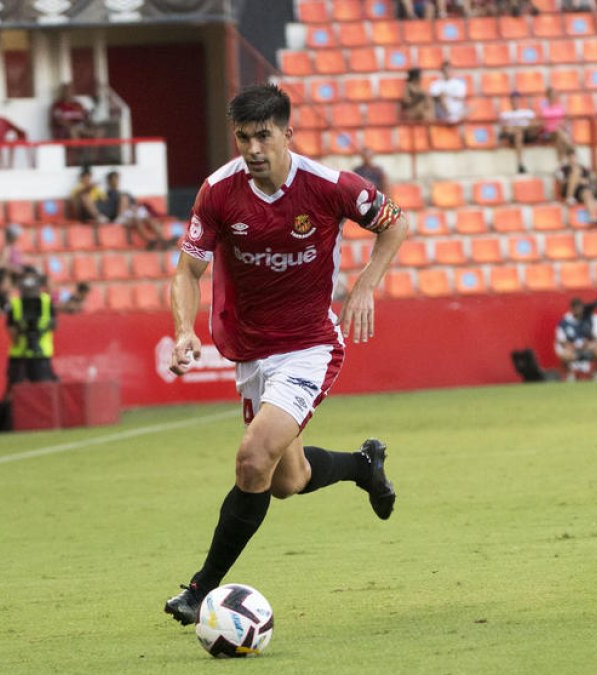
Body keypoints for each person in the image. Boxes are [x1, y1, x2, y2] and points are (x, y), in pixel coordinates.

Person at [162, 84, 409, 626]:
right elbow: (187, 271)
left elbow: (395, 222)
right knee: (285, 480)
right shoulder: (218, 192)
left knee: (252, 459)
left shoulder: (328, 186)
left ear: (287, 134)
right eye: (244, 137)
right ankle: (363, 466)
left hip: (308, 346)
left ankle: (201, 590)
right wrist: (183, 330)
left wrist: (365, 285)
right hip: (250, 352)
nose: (252, 148)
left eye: (263, 136)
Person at [6, 267, 59, 389]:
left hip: (34, 356)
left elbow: (12, 334)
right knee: (25, 395)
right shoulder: (16, 304)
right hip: (26, 357)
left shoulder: (17, 304)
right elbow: (54, 326)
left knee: (36, 395)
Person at [100, 171, 172, 249]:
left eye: (117, 179)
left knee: (147, 219)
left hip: (130, 214)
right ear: (109, 181)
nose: (116, 181)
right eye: (114, 179)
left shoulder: (125, 193)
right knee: (136, 219)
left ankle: (163, 240)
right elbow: (109, 213)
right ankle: (149, 241)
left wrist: (133, 208)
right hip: (120, 218)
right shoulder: (106, 196)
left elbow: (135, 204)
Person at [555, 297, 597, 382]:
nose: (578, 310)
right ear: (572, 309)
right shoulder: (565, 323)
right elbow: (562, 341)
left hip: (588, 349)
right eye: (575, 308)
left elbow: (596, 338)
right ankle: (570, 375)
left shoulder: (587, 321)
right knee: (565, 355)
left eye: (580, 307)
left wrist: (590, 344)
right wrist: (574, 346)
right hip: (574, 350)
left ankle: (596, 373)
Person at [555, 148, 597, 223]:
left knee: (587, 193)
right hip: (567, 190)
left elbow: (587, 181)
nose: (572, 159)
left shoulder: (583, 168)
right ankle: (569, 197)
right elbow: (562, 182)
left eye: (574, 157)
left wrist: (577, 180)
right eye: (570, 157)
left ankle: (592, 216)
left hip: (580, 191)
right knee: (575, 174)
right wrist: (574, 179)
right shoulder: (563, 169)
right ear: (567, 158)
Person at [498, 91, 539, 174]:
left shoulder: (527, 112)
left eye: (516, 99)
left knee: (520, 132)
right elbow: (505, 129)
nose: (515, 101)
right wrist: (519, 128)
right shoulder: (505, 114)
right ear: (510, 101)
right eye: (513, 100)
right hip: (513, 136)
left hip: (527, 134)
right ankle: (520, 163)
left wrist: (519, 128)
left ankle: (520, 163)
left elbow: (535, 124)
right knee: (518, 134)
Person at [536, 87, 573, 157]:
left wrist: (562, 123)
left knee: (559, 139)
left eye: (553, 95)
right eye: (550, 96)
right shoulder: (543, 109)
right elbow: (542, 124)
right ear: (547, 97)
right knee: (559, 132)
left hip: (559, 132)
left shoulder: (560, 107)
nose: (552, 97)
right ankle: (571, 148)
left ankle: (561, 164)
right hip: (547, 134)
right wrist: (554, 126)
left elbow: (565, 120)